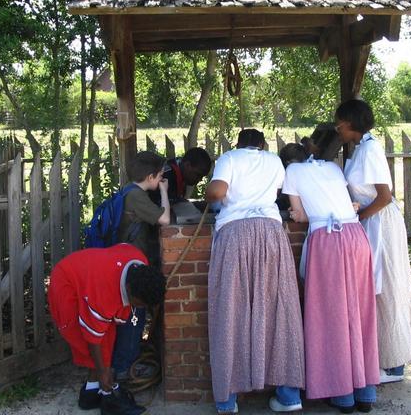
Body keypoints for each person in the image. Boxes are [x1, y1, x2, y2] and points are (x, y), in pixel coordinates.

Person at [205, 128, 305, 414]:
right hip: (271, 233)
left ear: (239, 144)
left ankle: (227, 400)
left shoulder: (229, 158)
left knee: (230, 311)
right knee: (280, 310)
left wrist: (210, 195)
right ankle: (289, 396)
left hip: (235, 234)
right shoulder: (273, 160)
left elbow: (217, 192)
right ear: (262, 144)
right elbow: (281, 192)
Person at [282, 142, 379, 413]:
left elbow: (301, 215)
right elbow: (347, 204)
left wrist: (295, 214)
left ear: (288, 162)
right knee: (360, 312)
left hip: (327, 240)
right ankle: (366, 392)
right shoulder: (334, 168)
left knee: (330, 315)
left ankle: (341, 393)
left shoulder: (292, 172)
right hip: (356, 236)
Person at [335, 99, 411, 384]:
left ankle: (395, 363)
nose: (337, 128)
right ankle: (381, 357)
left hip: (381, 221)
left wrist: (359, 217)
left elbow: (383, 196)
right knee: (375, 287)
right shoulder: (360, 148)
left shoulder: (371, 150)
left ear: (350, 123)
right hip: (371, 220)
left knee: (387, 287)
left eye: (339, 123)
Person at [47, 244, 167, 413]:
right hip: (67, 282)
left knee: (108, 337)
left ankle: (92, 392)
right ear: (129, 289)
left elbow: (123, 248)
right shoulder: (104, 294)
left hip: (92, 274)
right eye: (139, 303)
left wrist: (104, 367)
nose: (140, 307)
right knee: (86, 337)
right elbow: (92, 337)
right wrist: (103, 370)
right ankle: (106, 393)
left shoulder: (140, 263)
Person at [113, 151, 170, 383]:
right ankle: (124, 368)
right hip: (131, 265)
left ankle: (125, 361)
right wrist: (164, 192)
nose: (161, 179)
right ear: (150, 177)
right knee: (134, 316)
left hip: (126, 261)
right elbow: (164, 219)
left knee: (131, 316)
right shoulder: (136, 196)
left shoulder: (128, 190)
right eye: (160, 176)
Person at [148, 147, 213, 205]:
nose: (200, 179)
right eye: (198, 175)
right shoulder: (166, 176)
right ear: (187, 165)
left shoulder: (181, 173)